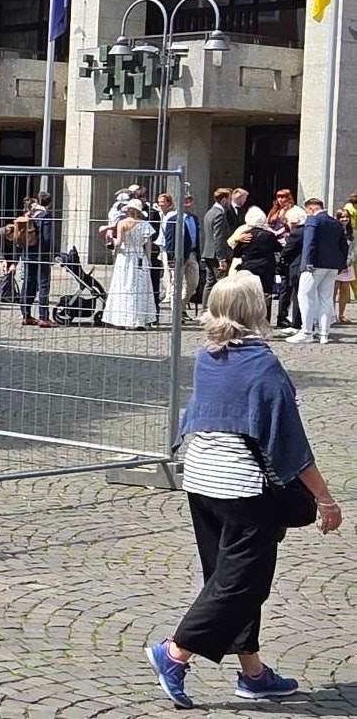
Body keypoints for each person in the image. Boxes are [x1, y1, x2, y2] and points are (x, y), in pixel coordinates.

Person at [146, 271, 341, 709]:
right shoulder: (263, 364)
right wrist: (325, 500)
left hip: (201, 478)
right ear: (256, 309)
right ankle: (174, 654)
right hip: (242, 488)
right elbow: (289, 443)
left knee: (227, 579)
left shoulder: (207, 356)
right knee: (239, 584)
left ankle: (253, 673)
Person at [289, 198, 345, 345]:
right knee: (326, 298)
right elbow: (343, 245)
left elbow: (309, 243)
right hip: (332, 266)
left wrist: (307, 263)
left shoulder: (313, 221)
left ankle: (306, 331)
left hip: (315, 265)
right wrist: (341, 264)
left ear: (312, 209)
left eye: (307, 211)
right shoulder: (336, 223)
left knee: (305, 295)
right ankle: (324, 334)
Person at [103, 199, 157, 329]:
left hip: (125, 256)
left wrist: (114, 249)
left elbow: (119, 242)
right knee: (140, 288)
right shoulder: (145, 225)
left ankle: (121, 319)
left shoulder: (122, 223)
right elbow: (148, 246)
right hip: (139, 256)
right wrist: (148, 260)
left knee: (123, 287)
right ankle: (140, 320)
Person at [19, 191, 57, 327]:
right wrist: (50, 255)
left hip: (28, 254)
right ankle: (43, 317)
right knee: (43, 285)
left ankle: (26, 315)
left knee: (28, 283)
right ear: (50, 203)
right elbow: (46, 238)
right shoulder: (45, 215)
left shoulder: (30, 215)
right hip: (41, 256)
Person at [160, 192, 199, 317]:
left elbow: (197, 238)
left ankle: (181, 307)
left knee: (193, 283)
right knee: (176, 284)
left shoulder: (194, 218)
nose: (188, 204)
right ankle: (176, 313)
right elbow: (170, 240)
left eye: (190, 201)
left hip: (192, 254)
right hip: (178, 255)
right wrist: (171, 257)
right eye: (185, 201)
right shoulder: (174, 220)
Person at [230, 207, 281, 285]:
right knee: (264, 292)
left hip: (248, 268)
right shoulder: (268, 234)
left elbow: (236, 253)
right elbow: (278, 248)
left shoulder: (244, 233)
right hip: (265, 268)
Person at [274, 211, 305, 333]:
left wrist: (280, 260)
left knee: (297, 295)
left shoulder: (297, 232)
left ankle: (296, 323)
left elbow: (288, 250)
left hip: (296, 266)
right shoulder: (307, 230)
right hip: (305, 265)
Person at [338, 208, 356, 324]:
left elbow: (354, 249)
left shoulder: (353, 233)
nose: (344, 219)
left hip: (347, 265)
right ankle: (331, 314)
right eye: (342, 217)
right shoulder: (334, 230)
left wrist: (348, 261)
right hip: (335, 264)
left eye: (346, 217)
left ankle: (341, 314)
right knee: (332, 291)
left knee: (344, 290)